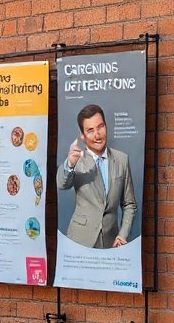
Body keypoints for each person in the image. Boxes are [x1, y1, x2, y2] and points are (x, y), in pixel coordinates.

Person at [56, 104, 137, 249]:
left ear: (106, 126)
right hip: (79, 241)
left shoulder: (122, 159)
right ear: (82, 135)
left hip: (111, 243)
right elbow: (61, 184)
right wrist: (70, 164)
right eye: (90, 130)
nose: (97, 135)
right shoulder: (76, 159)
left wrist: (122, 235)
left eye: (100, 127)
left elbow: (129, 204)